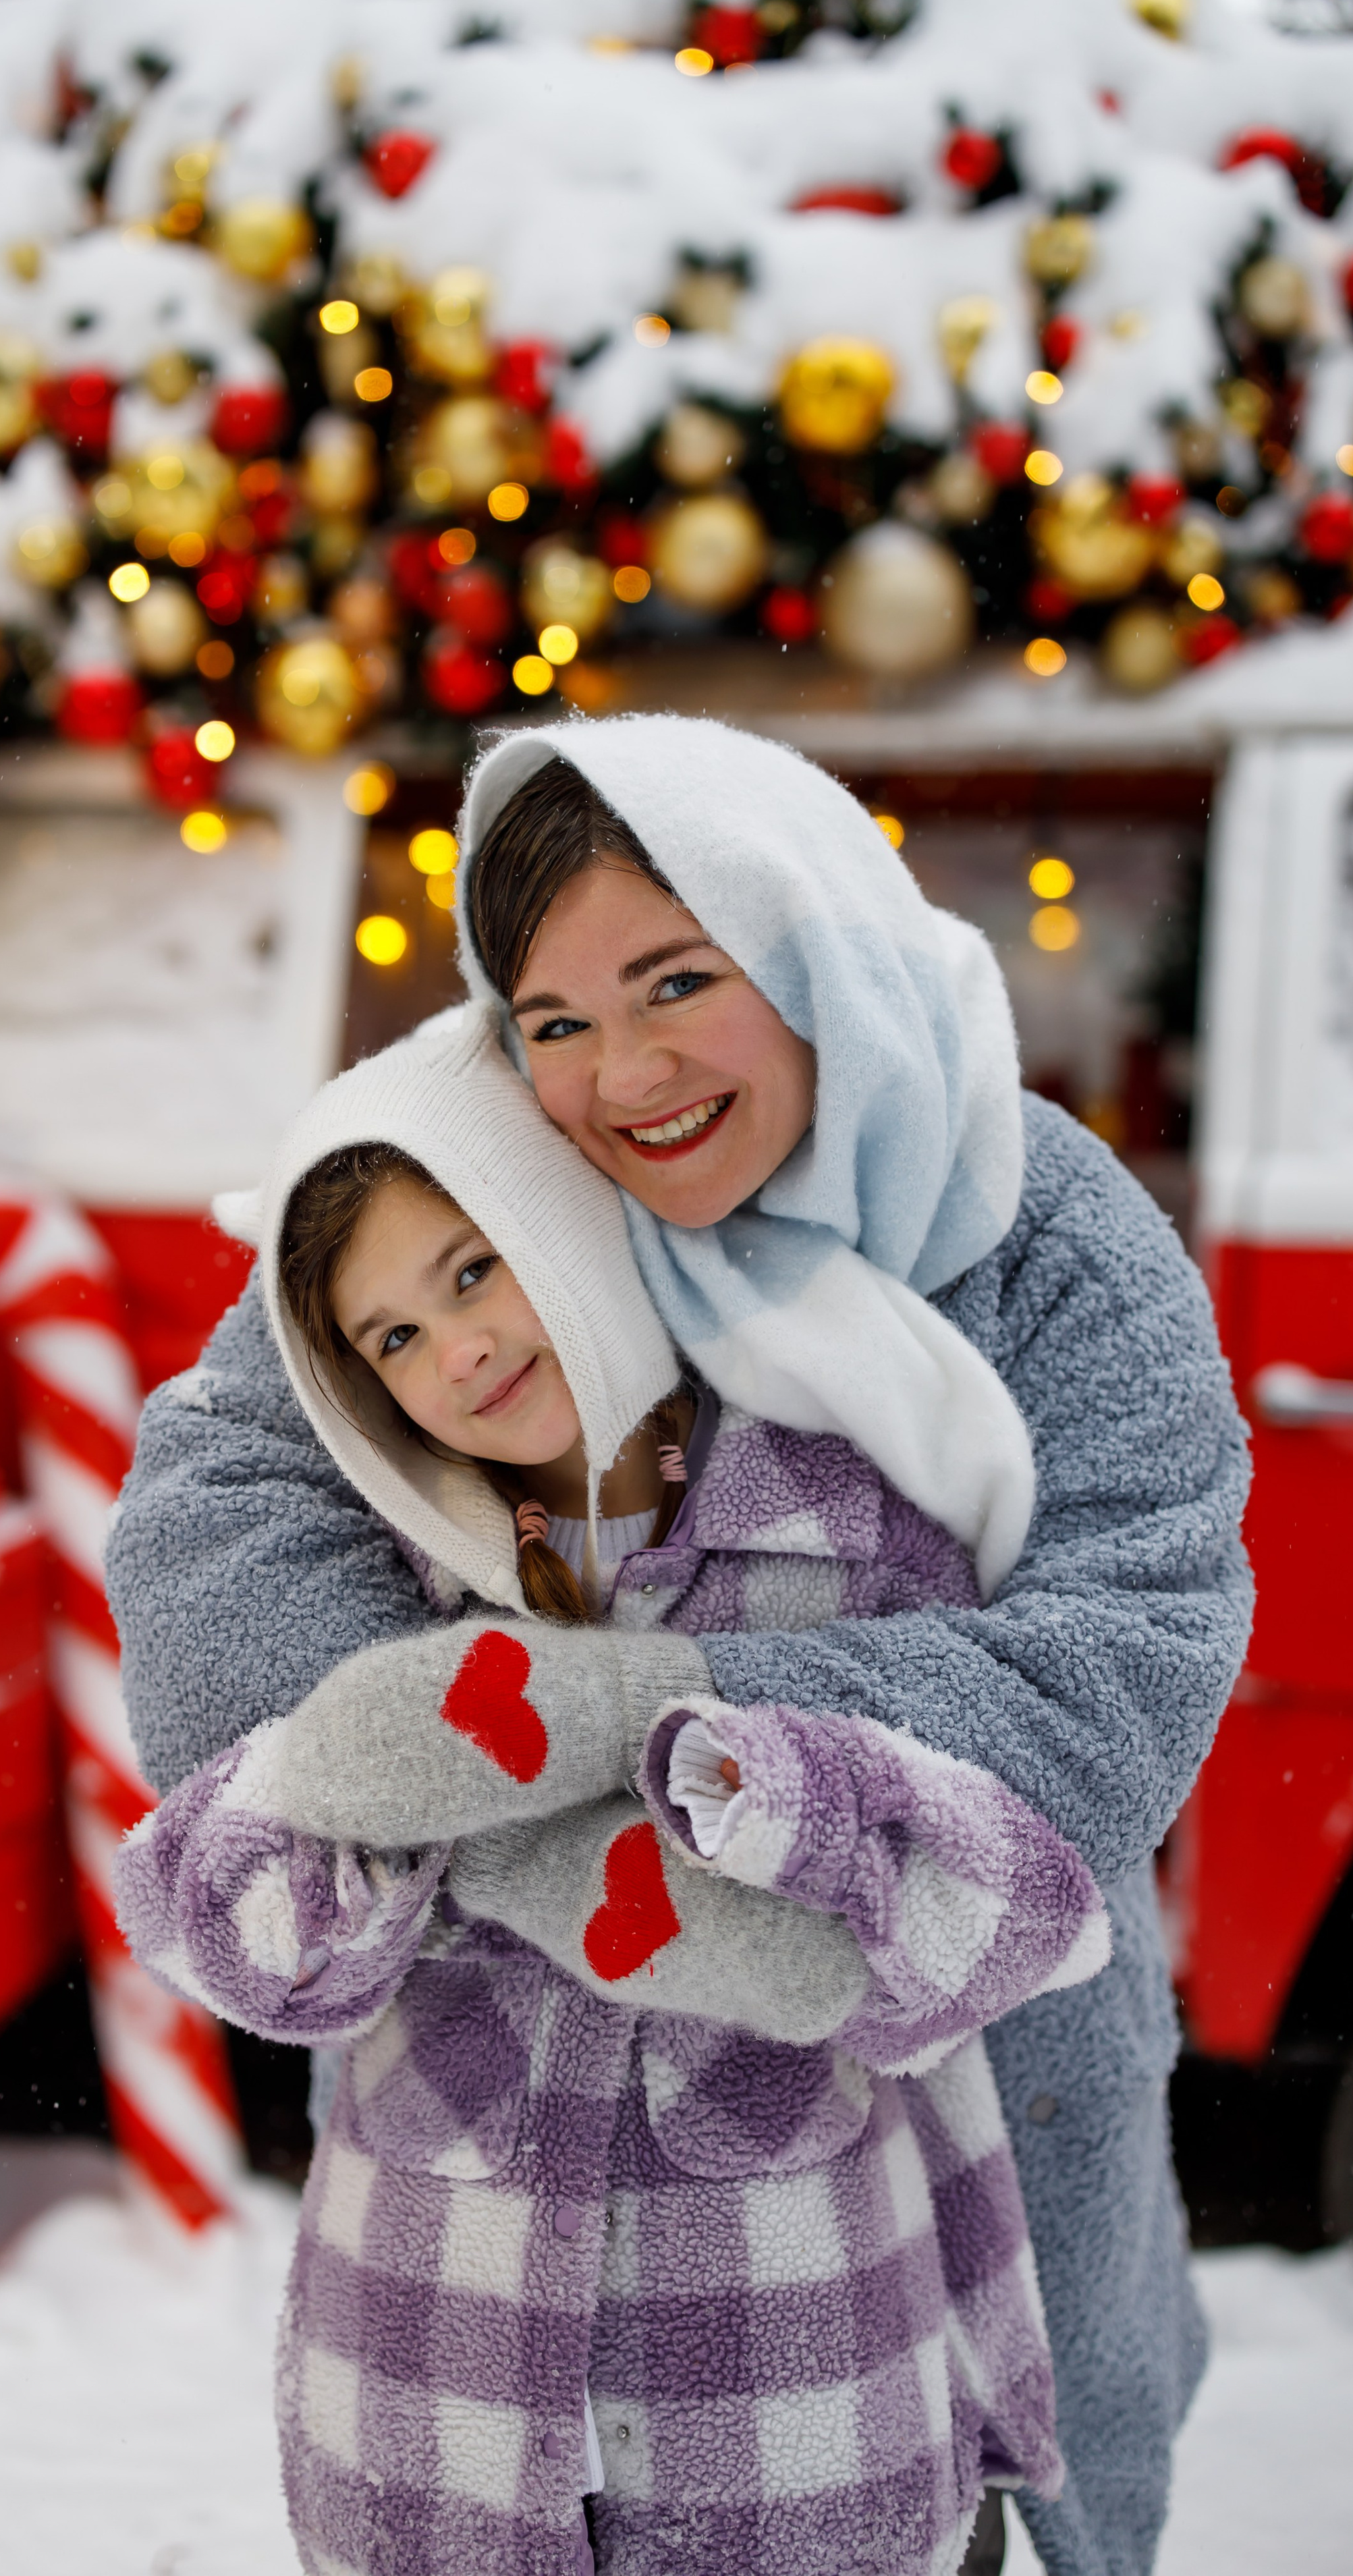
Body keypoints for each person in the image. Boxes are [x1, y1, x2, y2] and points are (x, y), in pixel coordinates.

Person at [107, 717, 1252, 2576]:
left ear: (804, 947)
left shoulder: (1040, 1234)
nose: (620, 1075)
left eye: (677, 982)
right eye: (551, 1020)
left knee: (942, 2490)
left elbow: (1117, 1679)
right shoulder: (491, 1178)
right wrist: (472, 1804)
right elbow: (222, 1511)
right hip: (486, 2218)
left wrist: (638, 1719)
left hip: (938, 2143)